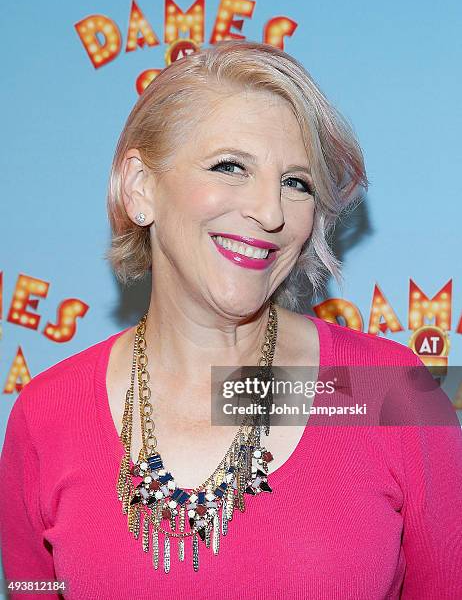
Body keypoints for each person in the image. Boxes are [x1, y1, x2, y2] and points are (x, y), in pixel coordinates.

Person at [1, 39, 461, 600]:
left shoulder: (386, 394)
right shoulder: (47, 413)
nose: (270, 213)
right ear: (140, 187)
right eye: (230, 166)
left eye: (297, 183)